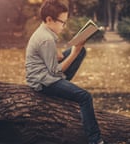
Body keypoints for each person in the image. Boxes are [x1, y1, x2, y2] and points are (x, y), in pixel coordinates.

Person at [25, 0, 107, 144]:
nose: (64, 26)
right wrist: (74, 53)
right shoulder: (46, 39)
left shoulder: (44, 31)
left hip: (46, 74)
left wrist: (68, 53)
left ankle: (64, 86)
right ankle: (95, 140)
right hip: (43, 82)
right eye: (62, 22)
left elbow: (52, 57)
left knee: (81, 51)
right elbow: (55, 72)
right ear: (49, 20)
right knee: (85, 97)